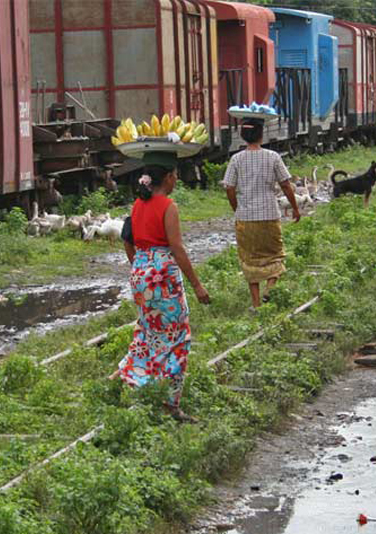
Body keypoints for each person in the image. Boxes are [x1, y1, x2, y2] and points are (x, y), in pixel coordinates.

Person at [117, 151, 211, 422]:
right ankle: (170, 404)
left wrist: (141, 266)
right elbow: (177, 248)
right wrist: (197, 285)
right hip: (163, 276)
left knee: (149, 333)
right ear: (168, 177)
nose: (177, 179)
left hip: (140, 273)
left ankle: (138, 387)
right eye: (176, 175)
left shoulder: (138, 204)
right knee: (177, 337)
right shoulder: (168, 206)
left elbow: (128, 240)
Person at [222, 118, 300, 309]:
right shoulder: (273, 157)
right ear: (261, 134)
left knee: (249, 258)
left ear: (243, 136)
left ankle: (256, 304)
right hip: (269, 215)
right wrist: (295, 208)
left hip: (245, 218)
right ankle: (269, 290)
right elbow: (286, 185)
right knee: (275, 255)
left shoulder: (236, 159)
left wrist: (236, 208)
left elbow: (229, 188)